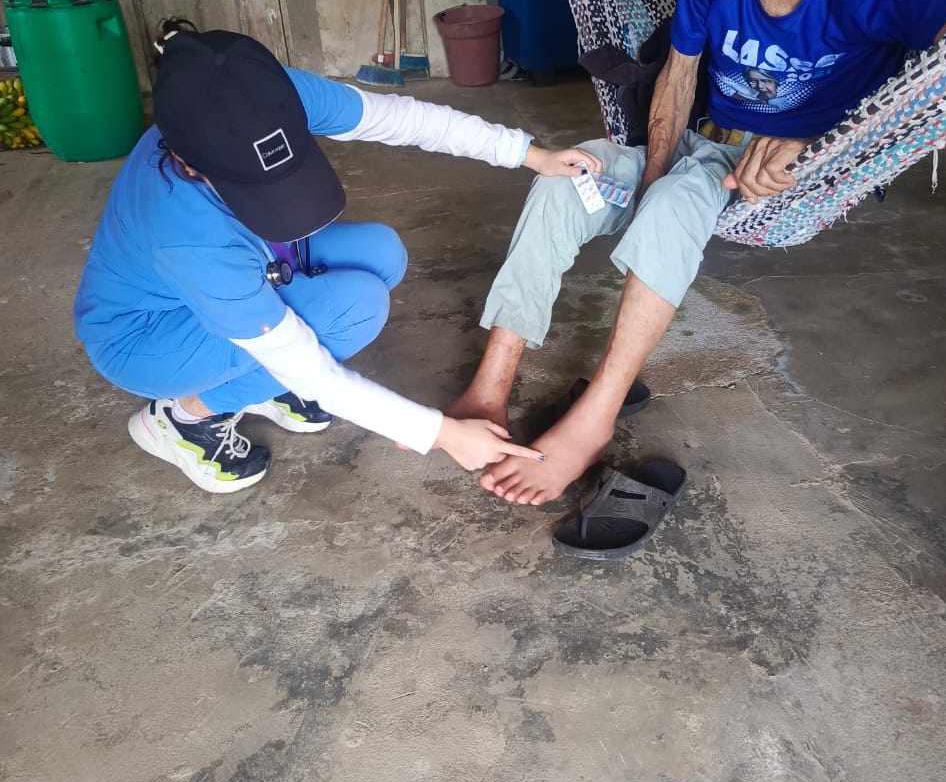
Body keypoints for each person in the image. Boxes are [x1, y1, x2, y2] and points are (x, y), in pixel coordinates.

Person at [447, 0, 946, 506]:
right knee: (569, 178)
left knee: (675, 207)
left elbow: (944, 71)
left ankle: (595, 418)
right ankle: (490, 386)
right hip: (698, 138)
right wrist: (648, 176)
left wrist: (818, 141)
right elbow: (681, 71)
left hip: (778, 169)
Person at [74, 25, 601, 493]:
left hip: (241, 266)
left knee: (381, 253)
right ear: (188, 165)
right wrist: (442, 434)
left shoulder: (259, 97)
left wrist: (530, 154)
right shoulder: (189, 236)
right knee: (354, 308)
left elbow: (403, 119)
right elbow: (315, 373)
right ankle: (184, 417)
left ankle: (259, 385)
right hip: (147, 336)